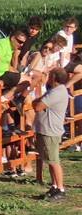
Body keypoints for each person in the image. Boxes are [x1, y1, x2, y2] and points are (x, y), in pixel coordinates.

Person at [33, 68, 70, 200]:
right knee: (50, 160)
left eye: (49, 76)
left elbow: (37, 107)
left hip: (50, 131)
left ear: (54, 78)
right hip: (47, 129)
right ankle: (54, 186)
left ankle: (60, 189)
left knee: (54, 161)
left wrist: (39, 96)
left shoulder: (56, 92)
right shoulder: (56, 91)